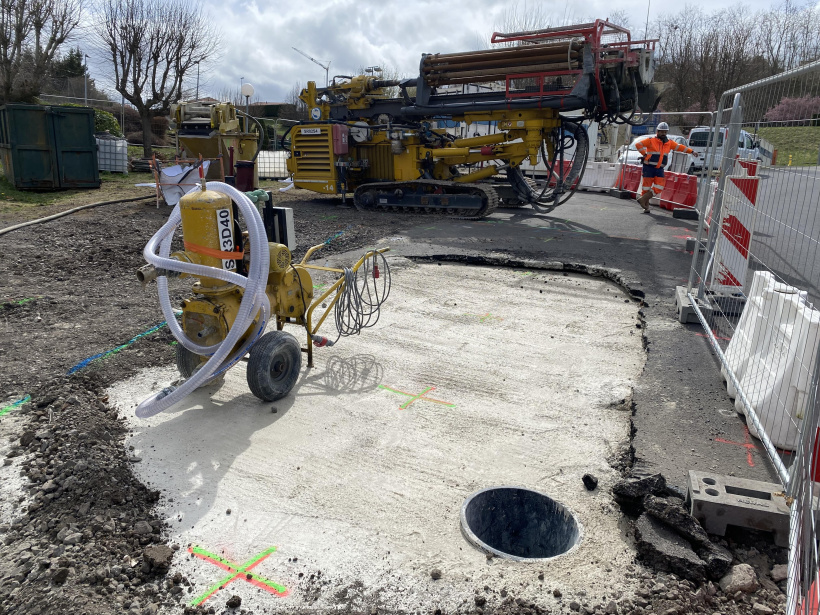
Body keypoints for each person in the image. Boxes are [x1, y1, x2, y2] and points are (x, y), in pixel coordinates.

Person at [634, 122, 694, 213]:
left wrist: (692, 151)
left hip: (659, 169)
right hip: (648, 167)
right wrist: (644, 154)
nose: (663, 134)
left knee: (659, 187)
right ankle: (646, 207)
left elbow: (680, 147)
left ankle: (642, 200)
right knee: (646, 188)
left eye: (665, 132)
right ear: (657, 131)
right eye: (661, 132)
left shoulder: (669, 143)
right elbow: (638, 145)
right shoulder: (650, 140)